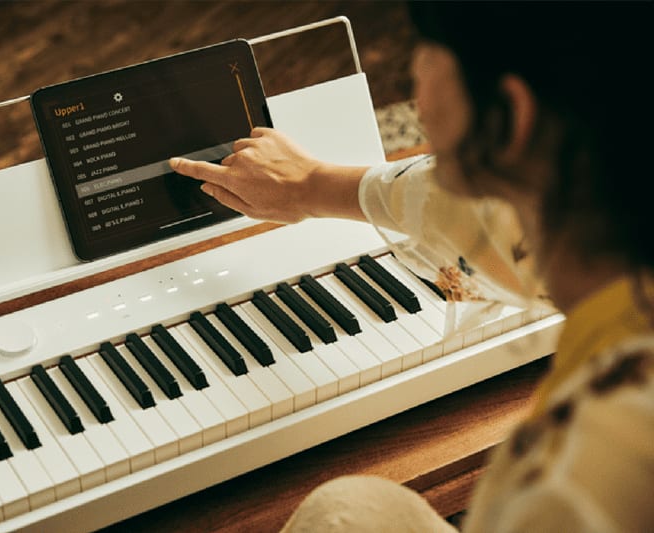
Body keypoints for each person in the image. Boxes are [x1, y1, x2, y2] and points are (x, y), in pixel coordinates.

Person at [171, 2, 654, 531]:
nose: (412, 73)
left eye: (425, 48)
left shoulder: (576, 481)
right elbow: (477, 208)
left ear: (510, 115)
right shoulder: (600, 203)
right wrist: (312, 185)